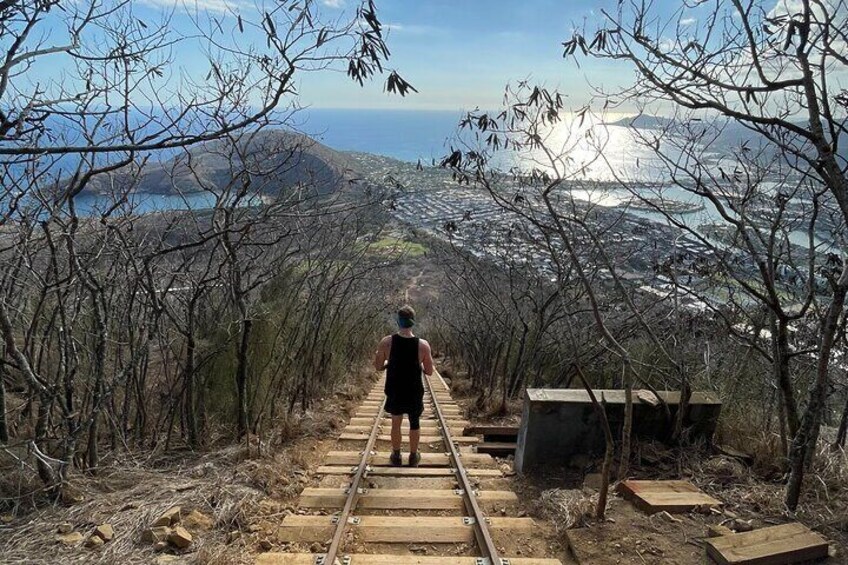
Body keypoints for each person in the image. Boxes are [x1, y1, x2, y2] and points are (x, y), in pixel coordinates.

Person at [373, 305, 435, 467]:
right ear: (412, 322)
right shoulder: (423, 345)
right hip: (414, 390)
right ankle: (413, 457)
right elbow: (429, 372)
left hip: (394, 389)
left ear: (398, 321)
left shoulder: (386, 342)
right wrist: (419, 364)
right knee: (415, 422)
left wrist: (387, 362)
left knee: (396, 422)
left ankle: (396, 455)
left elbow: (378, 367)